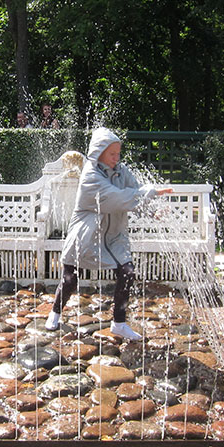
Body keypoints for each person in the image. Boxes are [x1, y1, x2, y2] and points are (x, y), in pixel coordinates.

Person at [44, 127, 173, 340]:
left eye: (118, 153)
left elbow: (133, 193)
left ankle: (119, 323)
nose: (116, 158)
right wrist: (150, 192)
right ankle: (55, 312)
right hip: (85, 235)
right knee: (69, 279)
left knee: (127, 272)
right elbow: (117, 198)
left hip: (113, 237)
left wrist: (153, 211)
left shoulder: (122, 172)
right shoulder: (90, 176)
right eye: (112, 154)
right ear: (99, 153)